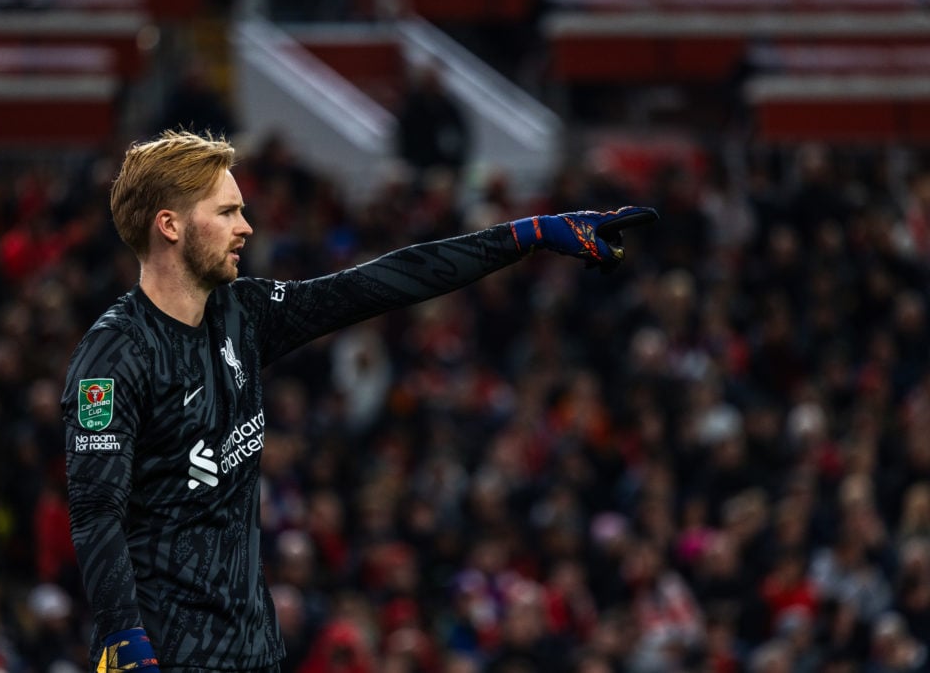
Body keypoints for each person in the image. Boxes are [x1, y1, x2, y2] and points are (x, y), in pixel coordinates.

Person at [60, 129, 658, 672]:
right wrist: (123, 639)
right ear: (170, 225)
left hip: (252, 650)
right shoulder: (114, 358)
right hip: (165, 653)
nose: (246, 226)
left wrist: (528, 234)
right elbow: (95, 513)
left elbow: (383, 282)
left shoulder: (242, 314)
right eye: (228, 212)